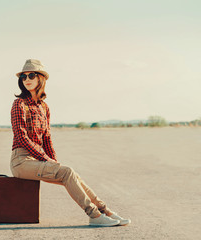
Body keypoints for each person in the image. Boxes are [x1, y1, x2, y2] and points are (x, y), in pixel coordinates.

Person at [10, 59, 131, 227]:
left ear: (40, 79)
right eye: (23, 77)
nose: (27, 79)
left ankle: (106, 211)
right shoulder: (19, 104)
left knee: (72, 174)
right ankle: (94, 216)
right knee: (67, 173)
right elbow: (22, 137)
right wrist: (46, 159)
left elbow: (47, 138)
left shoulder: (44, 107)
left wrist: (53, 160)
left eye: (31, 75)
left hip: (38, 160)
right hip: (21, 161)